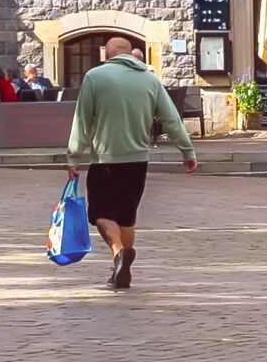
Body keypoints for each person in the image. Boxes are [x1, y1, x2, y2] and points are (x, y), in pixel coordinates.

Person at [64, 39, 197, 290]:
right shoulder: (150, 80)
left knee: (101, 215)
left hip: (106, 159)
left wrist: (73, 156)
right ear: (131, 54)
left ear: (108, 53)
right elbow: (171, 119)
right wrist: (187, 152)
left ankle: (118, 254)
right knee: (126, 219)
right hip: (138, 161)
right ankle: (121, 270)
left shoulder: (95, 77)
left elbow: (81, 120)